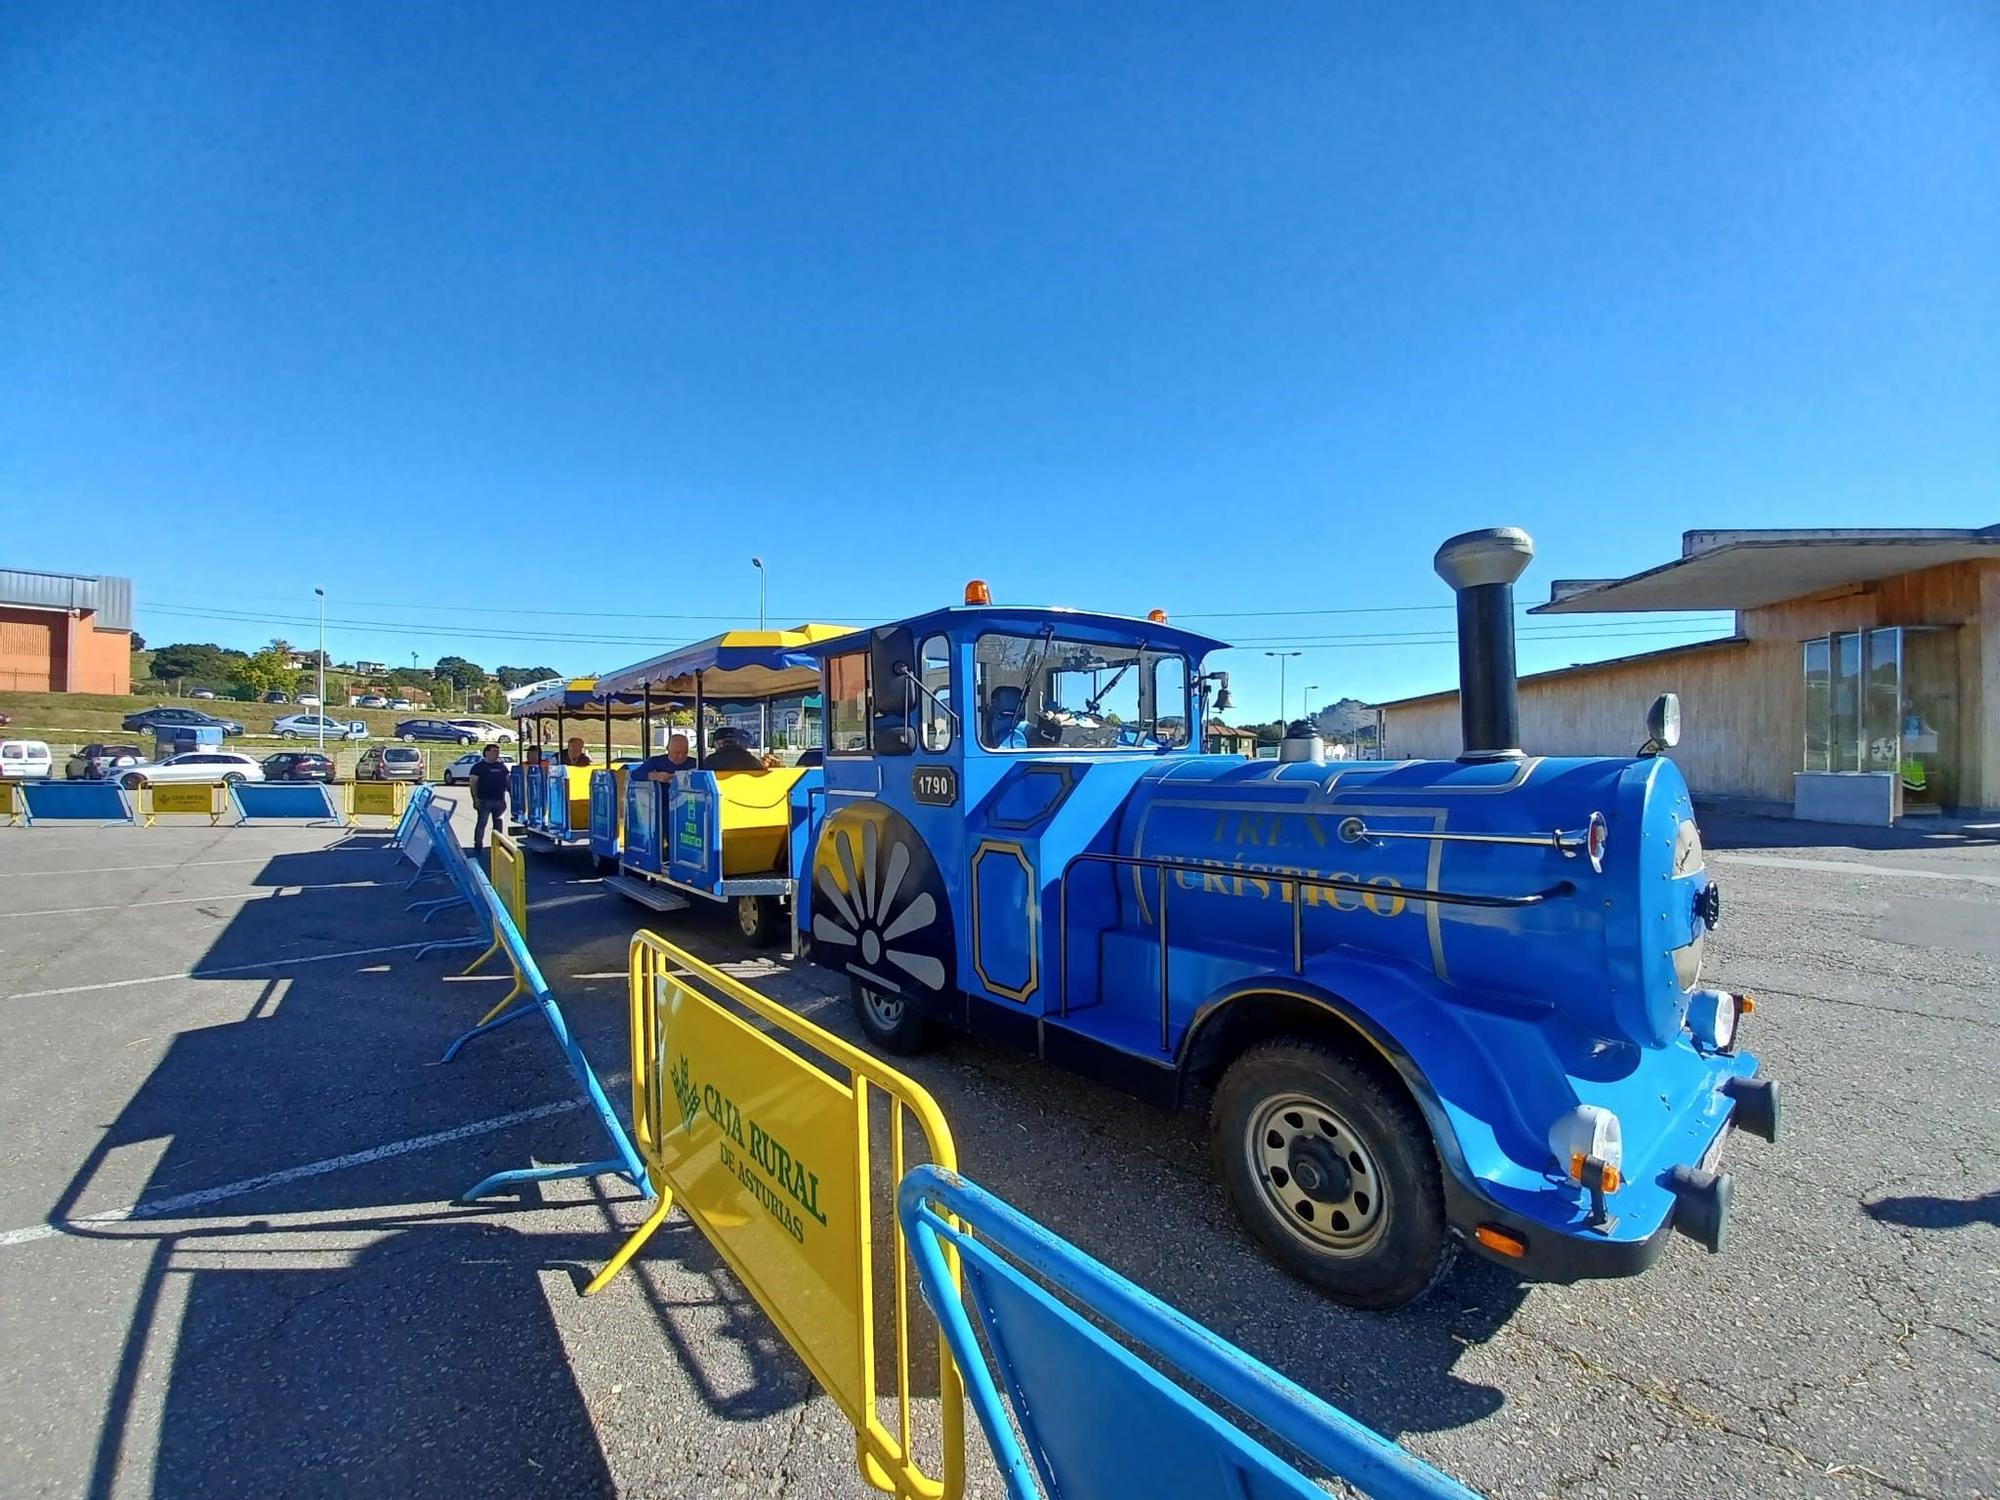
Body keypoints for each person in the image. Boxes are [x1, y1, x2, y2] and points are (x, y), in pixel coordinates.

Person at [468, 743, 512, 853]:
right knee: (482, 823)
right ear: (486, 752)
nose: (496, 754)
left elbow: (508, 782)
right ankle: (478, 845)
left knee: (498, 825)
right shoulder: (478, 767)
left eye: (498, 752)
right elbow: (473, 784)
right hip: (484, 801)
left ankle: (498, 846)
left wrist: (512, 797)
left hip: (499, 801)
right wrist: (475, 799)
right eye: (494, 751)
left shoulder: (501, 767)